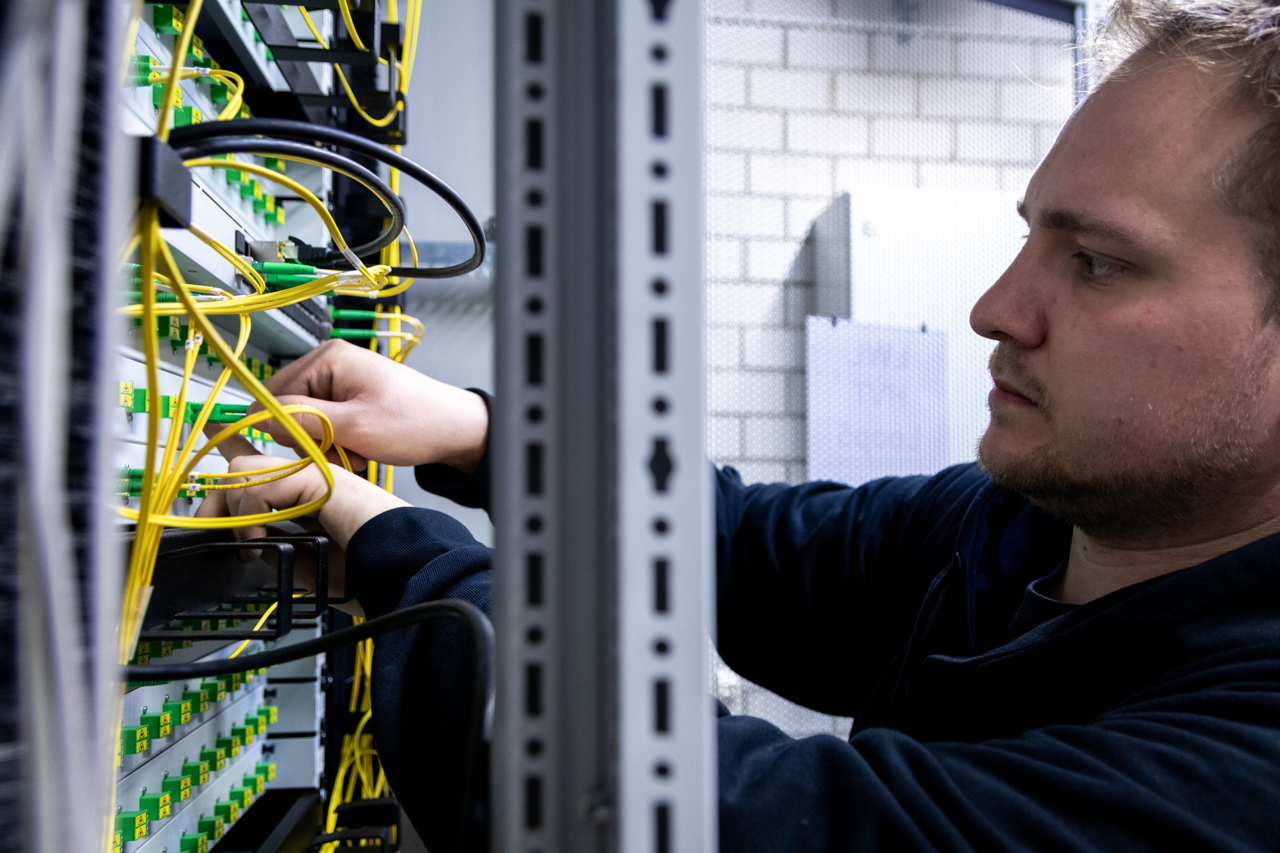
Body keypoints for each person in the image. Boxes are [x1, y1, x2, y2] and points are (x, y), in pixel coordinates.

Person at [199, 1, 1280, 849]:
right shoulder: (1020, 528)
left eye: (1095, 262)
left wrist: (393, 542)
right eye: (1031, 239)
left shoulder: (1245, 764)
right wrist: (482, 434)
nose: (993, 308)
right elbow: (734, 544)